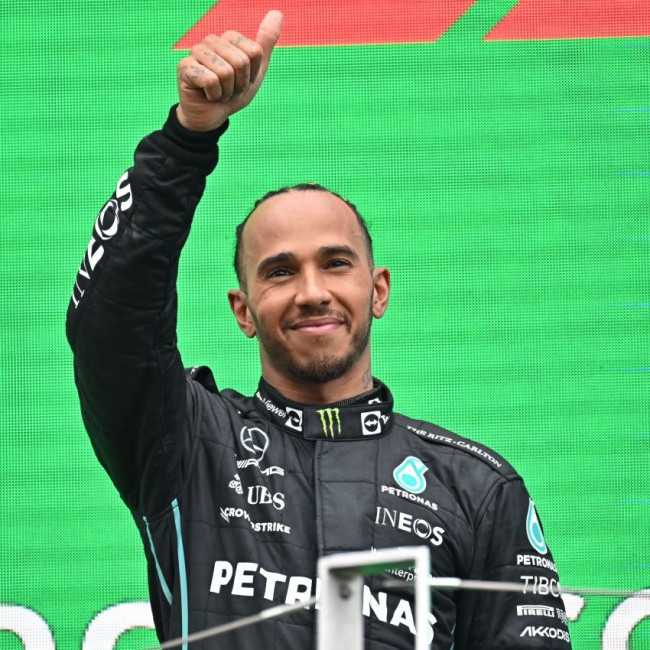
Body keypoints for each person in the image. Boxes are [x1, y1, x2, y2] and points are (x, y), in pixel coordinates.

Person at [66, 10, 572, 649]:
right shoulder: (187, 442)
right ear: (243, 311)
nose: (311, 292)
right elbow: (111, 325)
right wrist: (187, 139)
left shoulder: (476, 487)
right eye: (280, 272)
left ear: (377, 290)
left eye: (335, 264)